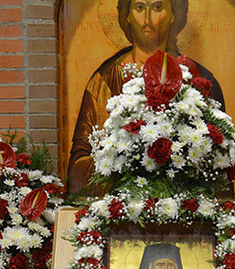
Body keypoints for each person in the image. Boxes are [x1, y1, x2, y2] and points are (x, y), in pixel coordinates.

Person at [66, 0, 226, 195]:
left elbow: (219, 162)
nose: (147, 19)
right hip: (118, 203)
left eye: (157, 7)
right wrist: (126, 158)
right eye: (139, 8)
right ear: (127, 15)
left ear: (173, 14)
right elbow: (78, 168)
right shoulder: (104, 79)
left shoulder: (198, 78)